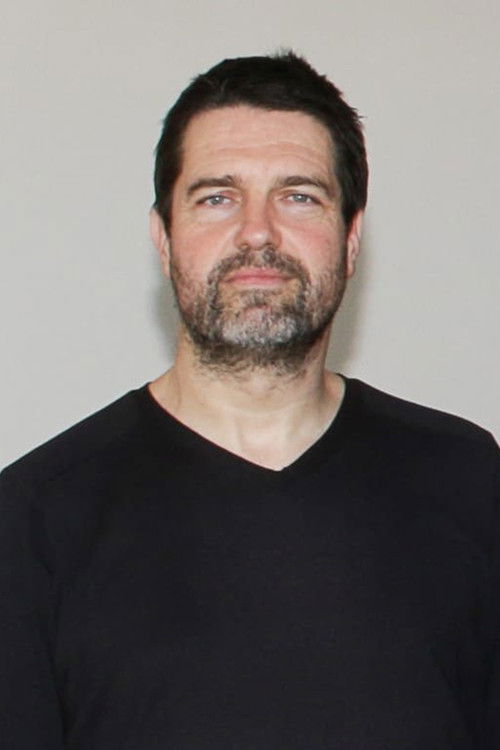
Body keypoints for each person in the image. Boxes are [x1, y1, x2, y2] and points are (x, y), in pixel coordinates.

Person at [0, 52, 498, 750]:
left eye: (299, 196)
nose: (257, 231)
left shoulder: (469, 480)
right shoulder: (34, 519)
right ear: (163, 239)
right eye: (217, 197)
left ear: (351, 239)